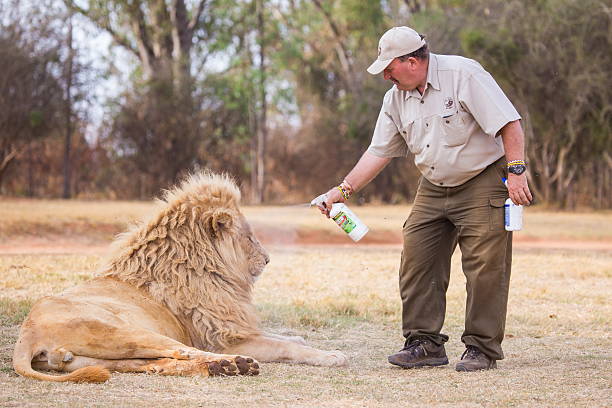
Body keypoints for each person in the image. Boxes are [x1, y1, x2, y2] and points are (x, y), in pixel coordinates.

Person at [315, 26, 532, 372]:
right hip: (433, 184)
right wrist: (341, 190)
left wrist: (516, 170)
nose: (385, 75)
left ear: (413, 62)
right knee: (417, 256)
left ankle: (481, 348)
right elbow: (378, 153)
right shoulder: (394, 98)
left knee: (485, 267)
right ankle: (424, 343)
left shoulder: (464, 74)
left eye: (390, 68)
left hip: (482, 179)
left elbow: (510, 124)